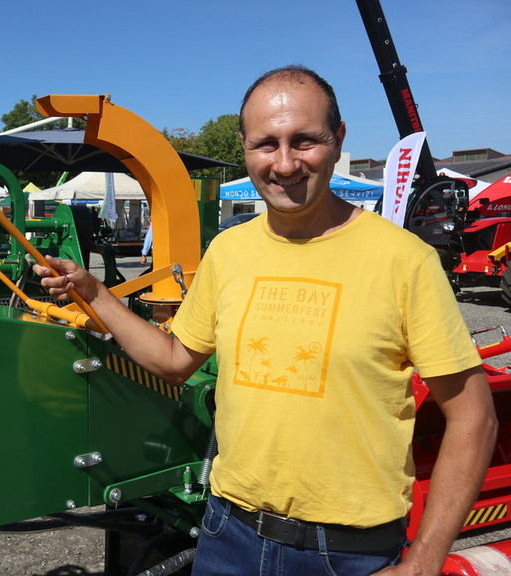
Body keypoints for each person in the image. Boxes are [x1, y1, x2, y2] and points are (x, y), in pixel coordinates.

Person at [34, 65, 497, 575]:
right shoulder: (229, 250)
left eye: (305, 140)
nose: (284, 163)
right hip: (229, 536)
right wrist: (95, 294)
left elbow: (473, 417)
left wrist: (424, 562)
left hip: (348, 552)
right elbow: (173, 360)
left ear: (339, 139)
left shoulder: (404, 261)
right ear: (245, 147)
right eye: (265, 144)